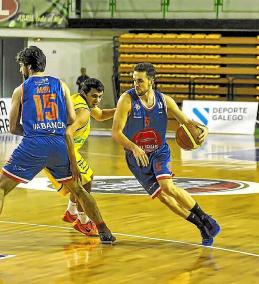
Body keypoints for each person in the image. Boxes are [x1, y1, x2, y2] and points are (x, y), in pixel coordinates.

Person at [0, 46, 115, 244]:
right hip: (59, 143)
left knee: (1, 188)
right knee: (79, 189)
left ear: (28, 66)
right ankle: (104, 230)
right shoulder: (61, 85)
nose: (21, 71)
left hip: (34, 144)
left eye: (21, 67)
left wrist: (35, 131)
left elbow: (12, 128)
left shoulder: (21, 89)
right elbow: (70, 118)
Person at [112, 62, 220, 246]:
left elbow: (187, 122)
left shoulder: (164, 101)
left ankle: (205, 217)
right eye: (133, 81)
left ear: (151, 81)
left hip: (159, 152)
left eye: (140, 81)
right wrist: (134, 147)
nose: (135, 85)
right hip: (137, 156)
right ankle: (200, 225)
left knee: (168, 187)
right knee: (164, 198)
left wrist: (204, 129)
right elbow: (116, 132)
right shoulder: (127, 99)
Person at [44, 78, 116, 236]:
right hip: (61, 148)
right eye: (94, 96)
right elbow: (68, 133)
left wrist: (123, 110)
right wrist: (73, 163)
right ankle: (84, 222)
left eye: (100, 96)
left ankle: (71, 211)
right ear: (85, 93)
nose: (97, 100)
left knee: (79, 180)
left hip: (50, 147)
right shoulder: (83, 112)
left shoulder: (78, 99)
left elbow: (101, 114)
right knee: (86, 180)